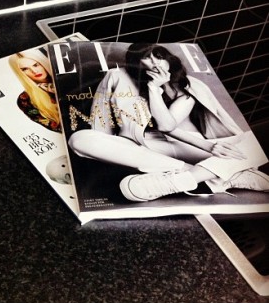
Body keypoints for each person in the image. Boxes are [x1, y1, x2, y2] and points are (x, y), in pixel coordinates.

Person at [68, 42, 269, 202]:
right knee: (79, 139)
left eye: (159, 57)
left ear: (168, 60)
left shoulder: (190, 85)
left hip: (188, 144)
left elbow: (167, 125)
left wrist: (156, 89)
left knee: (253, 141)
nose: (155, 63)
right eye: (147, 58)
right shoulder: (118, 76)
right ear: (137, 63)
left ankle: (186, 179)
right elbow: (100, 117)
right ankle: (219, 177)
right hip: (141, 146)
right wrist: (107, 151)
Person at [9, 48, 61, 132]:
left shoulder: (65, 77)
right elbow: (58, 128)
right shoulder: (25, 99)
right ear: (20, 73)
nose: (34, 71)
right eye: (25, 69)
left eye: (36, 65)